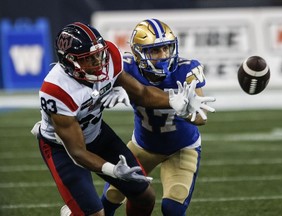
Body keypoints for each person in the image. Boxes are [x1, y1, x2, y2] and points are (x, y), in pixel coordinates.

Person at [30, 22, 215, 216]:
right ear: (69, 61)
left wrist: (175, 102)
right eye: (88, 59)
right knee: (97, 212)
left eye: (98, 54)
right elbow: (77, 152)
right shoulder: (56, 90)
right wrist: (111, 170)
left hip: (98, 133)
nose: (98, 61)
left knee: (145, 196)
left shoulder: (109, 57)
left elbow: (142, 93)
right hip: (63, 148)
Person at [101, 18, 215, 216]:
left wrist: (187, 111)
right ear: (138, 53)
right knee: (112, 195)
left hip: (182, 148)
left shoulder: (186, 70)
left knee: (173, 208)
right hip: (142, 146)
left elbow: (201, 118)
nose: (163, 55)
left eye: (167, 48)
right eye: (155, 50)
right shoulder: (126, 68)